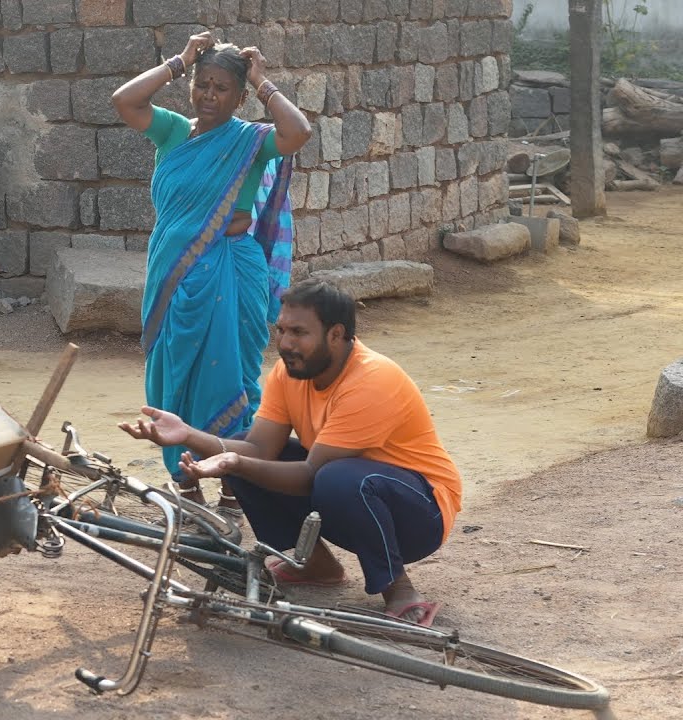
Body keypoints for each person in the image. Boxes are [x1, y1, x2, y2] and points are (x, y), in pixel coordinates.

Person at [119, 281, 462, 626]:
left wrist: (236, 463)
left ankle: (400, 591)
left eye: (299, 332)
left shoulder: (373, 379)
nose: (284, 343)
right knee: (248, 447)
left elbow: (311, 475)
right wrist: (189, 435)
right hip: (353, 494)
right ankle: (316, 565)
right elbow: (259, 448)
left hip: (421, 514)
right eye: (281, 330)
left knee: (332, 477)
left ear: (335, 334)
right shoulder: (290, 371)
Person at [111, 33, 313, 518]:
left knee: (235, 376)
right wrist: (179, 61)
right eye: (203, 84)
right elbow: (125, 100)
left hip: (231, 267)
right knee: (173, 371)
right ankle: (185, 481)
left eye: (222, 88)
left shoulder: (250, 141)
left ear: (239, 97)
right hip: (172, 273)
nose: (209, 95)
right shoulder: (173, 133)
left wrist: (263, 81)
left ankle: (230, 479)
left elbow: (299, 131)